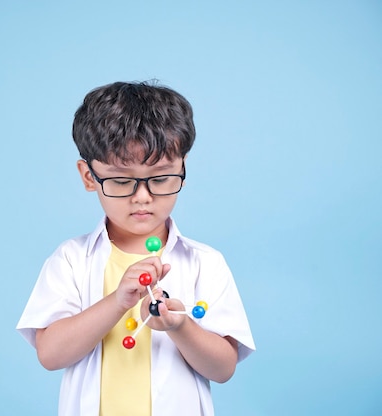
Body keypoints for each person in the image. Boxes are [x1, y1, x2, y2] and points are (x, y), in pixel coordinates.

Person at [16, 81, 255, 416]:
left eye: (159, 179)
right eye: (121, 181)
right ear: (88, 176)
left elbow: (223, 368)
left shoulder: (205, 263)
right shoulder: (71, 259)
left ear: (182, 168)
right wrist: (117, 301)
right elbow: (50, 355)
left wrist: (179, 326)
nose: (142, 197)